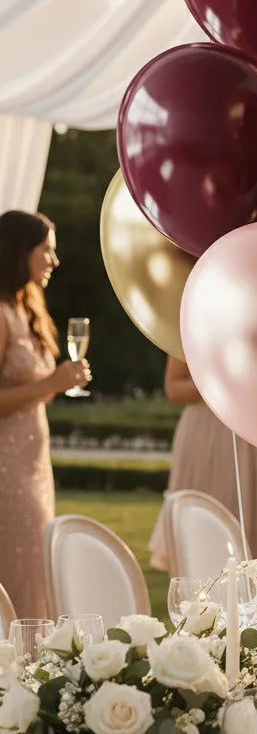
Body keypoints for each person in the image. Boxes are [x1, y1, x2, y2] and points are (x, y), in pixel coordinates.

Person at [0, 210, 91, 617]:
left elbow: (28, 392)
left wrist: (57, 383)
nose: (54, 260)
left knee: (34, 571)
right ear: (19, 252)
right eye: (46, 251)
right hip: (6, 474)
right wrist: (50, 383)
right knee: (16, 571)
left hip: (33, 467)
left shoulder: (26, 308)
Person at [148, 356, 257, 573]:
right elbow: (174, 388)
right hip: (205, 438)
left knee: (256, 530)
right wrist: (221, 380)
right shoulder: (188, 332)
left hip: (253, 434)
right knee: (198, 530)